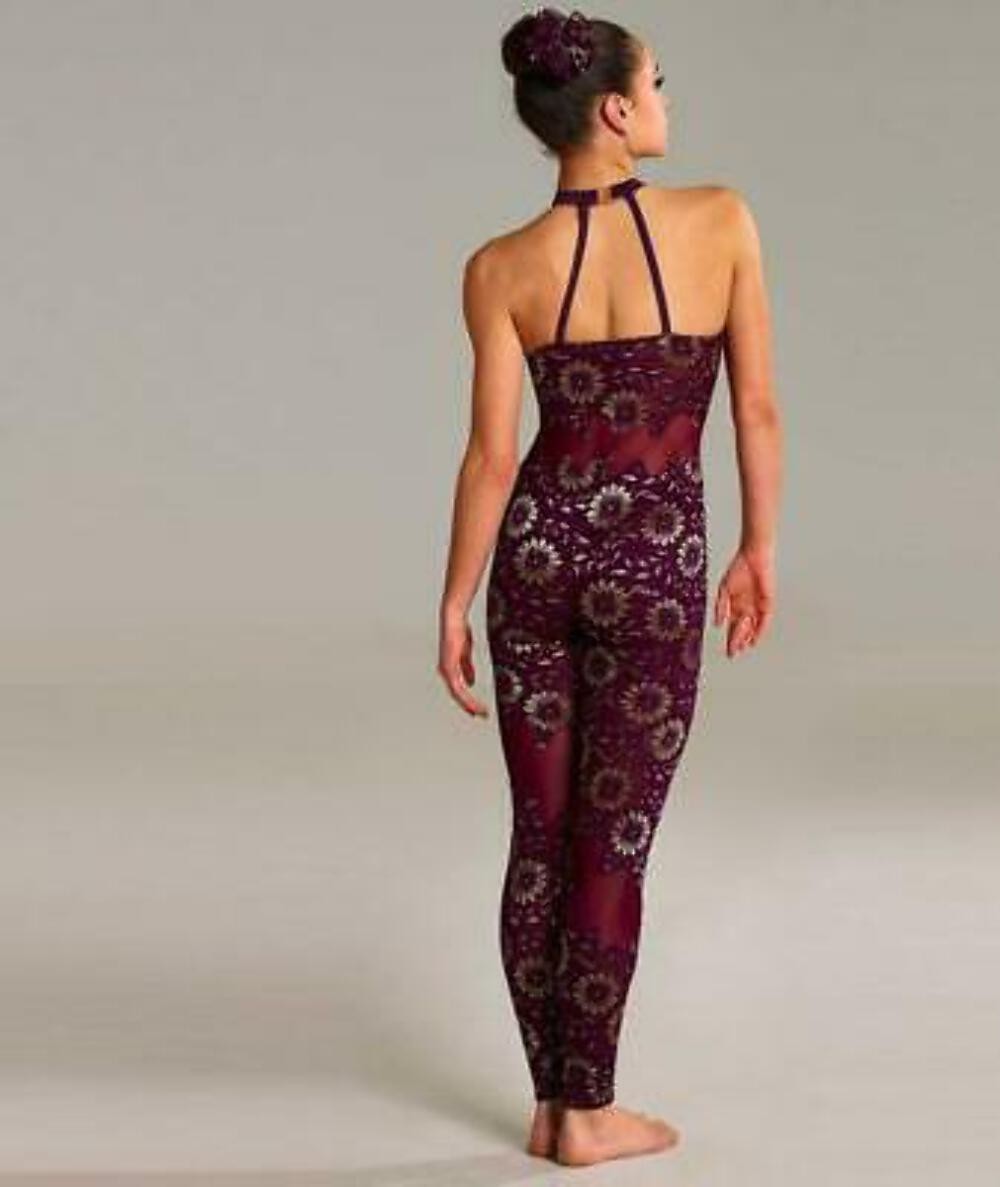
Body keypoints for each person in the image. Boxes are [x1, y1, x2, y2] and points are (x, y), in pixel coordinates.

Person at [437, 5, 781, 1169]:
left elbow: (491, 455)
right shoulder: (720, 219)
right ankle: (587, 1111)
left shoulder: (497, 267)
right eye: (660, 84)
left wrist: (452, 599)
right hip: (653, 568)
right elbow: (754, 407)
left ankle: (551, 1103)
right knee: (609, 843)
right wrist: (757, 545)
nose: (668, 103)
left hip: (535, 555)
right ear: (619, 109)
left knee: (538, 834)